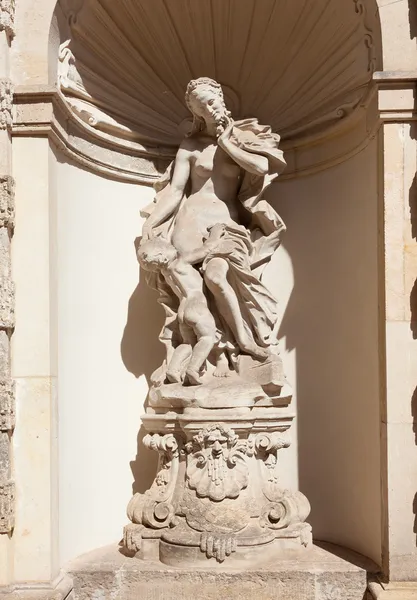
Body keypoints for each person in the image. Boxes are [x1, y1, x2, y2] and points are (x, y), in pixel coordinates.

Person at [141, 77, 287, 371]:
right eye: (202, 107)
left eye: (211, 101)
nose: (210, 109)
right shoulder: (191, 145)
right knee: (190, 286)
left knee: (216, 277)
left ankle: (244, 342)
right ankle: (203, 362)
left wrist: (226, 143)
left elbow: (261, 167)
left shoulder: (245, 137)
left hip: (225, 224)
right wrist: (152, 225)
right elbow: (176, 191)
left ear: (221, 98)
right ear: (196, 114)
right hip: (189, 224)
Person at [137, 224, 226, 385]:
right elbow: (207, 249)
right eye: (167, 247)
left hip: (182, 310)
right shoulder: (182, 261)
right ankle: (193, 368)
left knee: (187, 343)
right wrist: (215, 233)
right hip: (196, 304)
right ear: (162, 255)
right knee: (207, 338)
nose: (171, 247)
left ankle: (173, 369)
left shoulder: (165, 272)